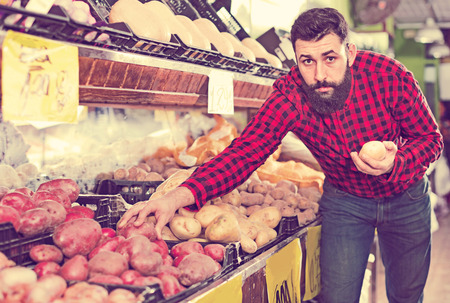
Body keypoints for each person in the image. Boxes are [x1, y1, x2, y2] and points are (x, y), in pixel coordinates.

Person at [119, 7, 443, 303]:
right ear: (297, 60)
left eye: (330, 58)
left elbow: (430, 139)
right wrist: (175, 198)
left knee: (407, 295)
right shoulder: (291, 95)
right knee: (337, 298)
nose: (319, 75)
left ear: (351, 52)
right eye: (307, 61)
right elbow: (244, 153)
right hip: (347, 201)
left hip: (406, 197)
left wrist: (396, 162)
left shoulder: (388, 75)